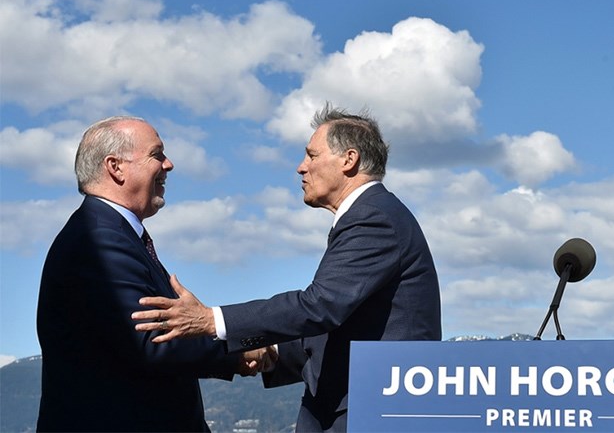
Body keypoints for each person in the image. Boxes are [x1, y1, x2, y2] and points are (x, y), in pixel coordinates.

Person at [132, 105, 442, 432]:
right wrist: (273, 350)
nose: (301, 168)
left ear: (348, 160)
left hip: (372, 413)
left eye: (311, 155)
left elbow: (320, 306)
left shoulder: (373, 219)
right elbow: (341, 326)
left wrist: (212, 320)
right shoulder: (371, 216)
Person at [36, 116, 264, 433]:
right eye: (157, 154)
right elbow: (152, 340)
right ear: (115, 167)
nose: (168, 164)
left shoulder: (115, 236)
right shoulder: (99, 238)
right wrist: (237, 347)